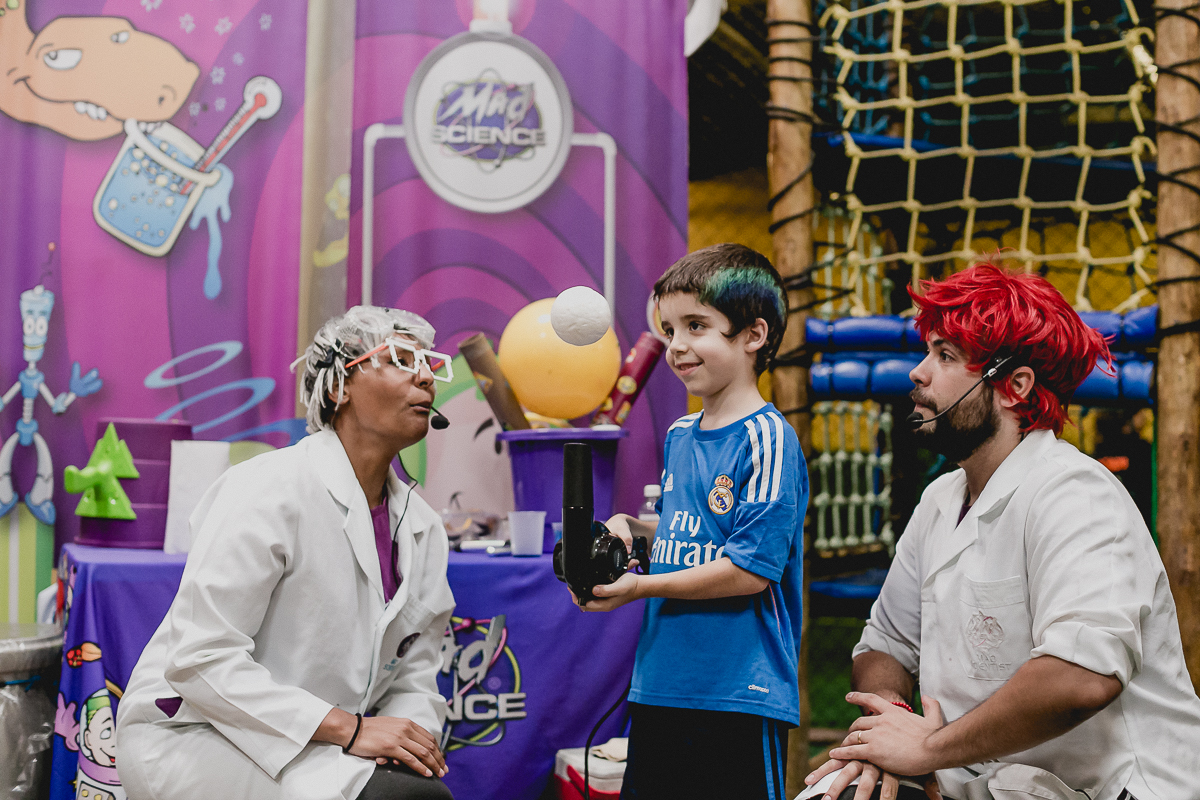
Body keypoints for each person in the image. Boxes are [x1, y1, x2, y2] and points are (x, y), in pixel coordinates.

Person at [805, 264, 1200, 800]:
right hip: (983, 782)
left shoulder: (1076, 494)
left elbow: (1081, 677)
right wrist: (893, 725)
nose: (918, 372)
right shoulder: (940, 499)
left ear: (1015, 387)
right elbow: (884, 646)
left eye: (946, 356)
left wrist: (929, 749)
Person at [116, 307, 457, 800]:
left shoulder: (424, 529)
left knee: (413, 789)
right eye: (402, 360)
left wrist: (406, 746)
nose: (425, 377)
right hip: (197, 734)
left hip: (325, 740)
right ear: (339, 386)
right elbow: (200, 659)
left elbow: (415, 679)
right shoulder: (267, 488)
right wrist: (350, 730)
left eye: (429, 364)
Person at [579, 243, 808, 800]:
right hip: (660, 683)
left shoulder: (768, 438)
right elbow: (692, 533)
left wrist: (640, 588)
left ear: (753, 335)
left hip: (738, 693)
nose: (676, 345)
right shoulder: (681, 434)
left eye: (696, 326)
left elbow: (748, 570)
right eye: (669, 329)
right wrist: (629, 528)